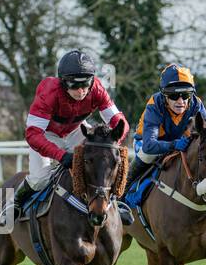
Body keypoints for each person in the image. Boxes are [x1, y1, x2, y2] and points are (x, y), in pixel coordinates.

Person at [12, 49, 131, 223]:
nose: (81, 91)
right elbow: (32, 135)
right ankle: (15, 202)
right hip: (47, 135)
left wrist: (113, 142)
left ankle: (116, 203)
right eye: (74, 85)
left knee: (103, 159)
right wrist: (60, 156)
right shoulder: (49, 92)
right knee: (39, 180)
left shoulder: (97, 88)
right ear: (62, 82)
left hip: (76, 130)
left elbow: (119, 121)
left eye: (85, 84)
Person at [125, 63, 206, 189]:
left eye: (186, 95)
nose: (180, 101)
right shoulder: (155, 104)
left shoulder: (196, 103)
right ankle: (122, 190)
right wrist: (173, 144)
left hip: (179, 142)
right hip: (146, 143)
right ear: (164, 95)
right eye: (174, 96)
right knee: (147, 154)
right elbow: (149, 146)